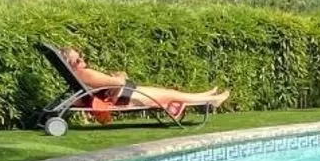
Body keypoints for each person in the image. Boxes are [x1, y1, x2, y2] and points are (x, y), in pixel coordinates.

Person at [61, 47, 230, 113]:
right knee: (171, 94)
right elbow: (118, 83)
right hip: (126, 95)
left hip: (125, 93)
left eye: (81, 57)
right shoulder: (86, 73)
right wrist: (119, 77)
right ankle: (212, 99)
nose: (82, 61)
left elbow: (105, 86)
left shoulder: (79, 74)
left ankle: (206, 96)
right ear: (71, 64)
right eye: (77, 60)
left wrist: (116, 79)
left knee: (170, 94)